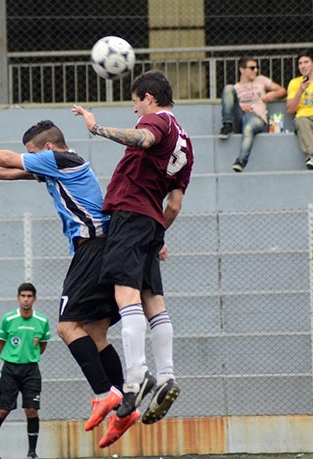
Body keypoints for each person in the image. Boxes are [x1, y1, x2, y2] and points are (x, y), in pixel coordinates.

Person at [0, 121, 126, 440]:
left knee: (67, 327)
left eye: (31, 153)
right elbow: (10, 172)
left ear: (46, 149)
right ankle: (125, 405)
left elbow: (8, 160)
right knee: (96, 334)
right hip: (103, 248)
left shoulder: (62, 159)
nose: (28, 159)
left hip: (92, 248)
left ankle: (104, 394)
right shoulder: (60, 166)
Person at [72, 69, 194, 447]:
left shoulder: (156, 122)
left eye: (136, 100)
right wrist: (158, 233)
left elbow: (143, 137)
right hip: (150, 221)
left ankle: (137, 376)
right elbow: (174, 203)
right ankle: (168, 374)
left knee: (125, 296)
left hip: (129, 213)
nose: (134, 108)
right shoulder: (186, 142)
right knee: (152, 300)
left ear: (149, 98)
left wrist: (96, 128)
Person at [0, 283, 50, 459]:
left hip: (31, 370)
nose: (26, 300)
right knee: (3, 409)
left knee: (31, 410)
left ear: (34, 299)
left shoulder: (42, 321)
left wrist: (28, 356)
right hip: (10, 369)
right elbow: (1, 343)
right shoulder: (9, 319)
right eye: (23, 296)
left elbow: (42, 345)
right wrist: (12, 357)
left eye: (29, 296)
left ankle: (32, 452)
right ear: (18, 298)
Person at [218, 56, 287, 172]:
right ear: (242, 70)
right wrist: (240, 106)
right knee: (228, 88)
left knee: (249, 128)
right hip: (240, 117)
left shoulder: (261, 80)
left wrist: (271, 95)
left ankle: (241, 161)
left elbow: (283, 90)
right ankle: (227, 125)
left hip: (256, 117)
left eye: (257, 68)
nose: (256, 70)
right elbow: (231, 103)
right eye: (252, 68)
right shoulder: (236, 88)